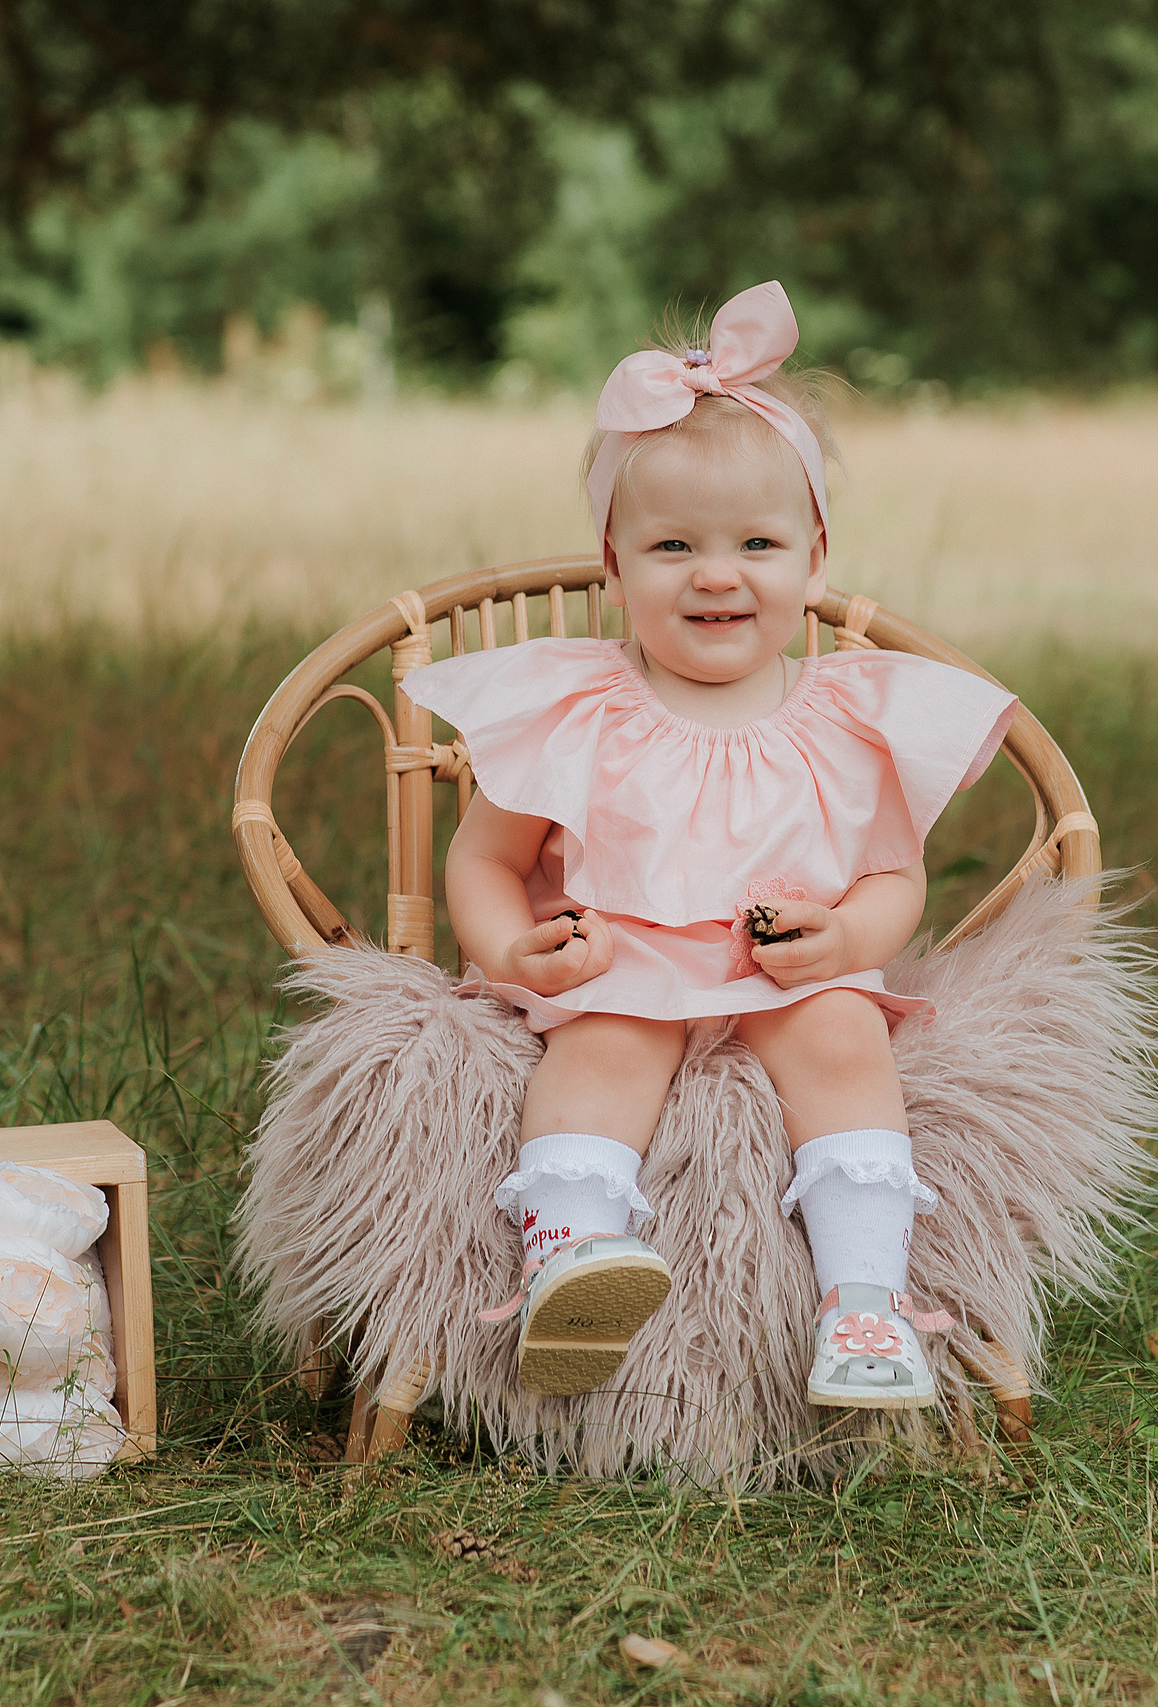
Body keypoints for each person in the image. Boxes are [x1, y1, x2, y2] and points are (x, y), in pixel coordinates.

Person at [402, 282, 1018, 1408]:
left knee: (844, 1038)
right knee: (603, 1050)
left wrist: (846, 938)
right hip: (625, 966)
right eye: (673, 544)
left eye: (758, 543)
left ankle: (864, 1304)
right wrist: (514, 949)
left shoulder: (848, 712)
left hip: (786, 973)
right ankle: (570, 1259)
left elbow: (895, 876)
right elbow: (485, 859)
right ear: (614, 563)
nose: (717, 573)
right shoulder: (577, 706)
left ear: (815, 560)